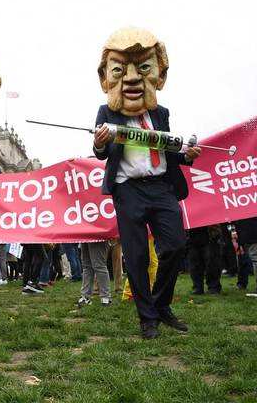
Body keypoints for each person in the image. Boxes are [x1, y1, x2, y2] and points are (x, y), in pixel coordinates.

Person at [93, 27, 201, 339]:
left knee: (176, 246)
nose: (132, 79)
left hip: (162, 187)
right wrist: (101, 142)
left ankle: (161, 304)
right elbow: (101, 152)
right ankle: (147, 318)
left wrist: (188, 155)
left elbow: (170, 150)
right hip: (128, 190)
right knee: (137, 256)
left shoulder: (161, 113)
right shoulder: (107, 111)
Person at [187, 225, 223, 295]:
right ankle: (198, 287)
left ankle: (213, 287)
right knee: (194, 265)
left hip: (209, 236)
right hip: (192, 237)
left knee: (212, 264)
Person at [78, 241, 112, 307]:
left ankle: (106, 297)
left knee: (99, 266)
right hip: (84, 235)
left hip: (97, 234)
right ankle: (85, 296)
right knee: (87, 266)